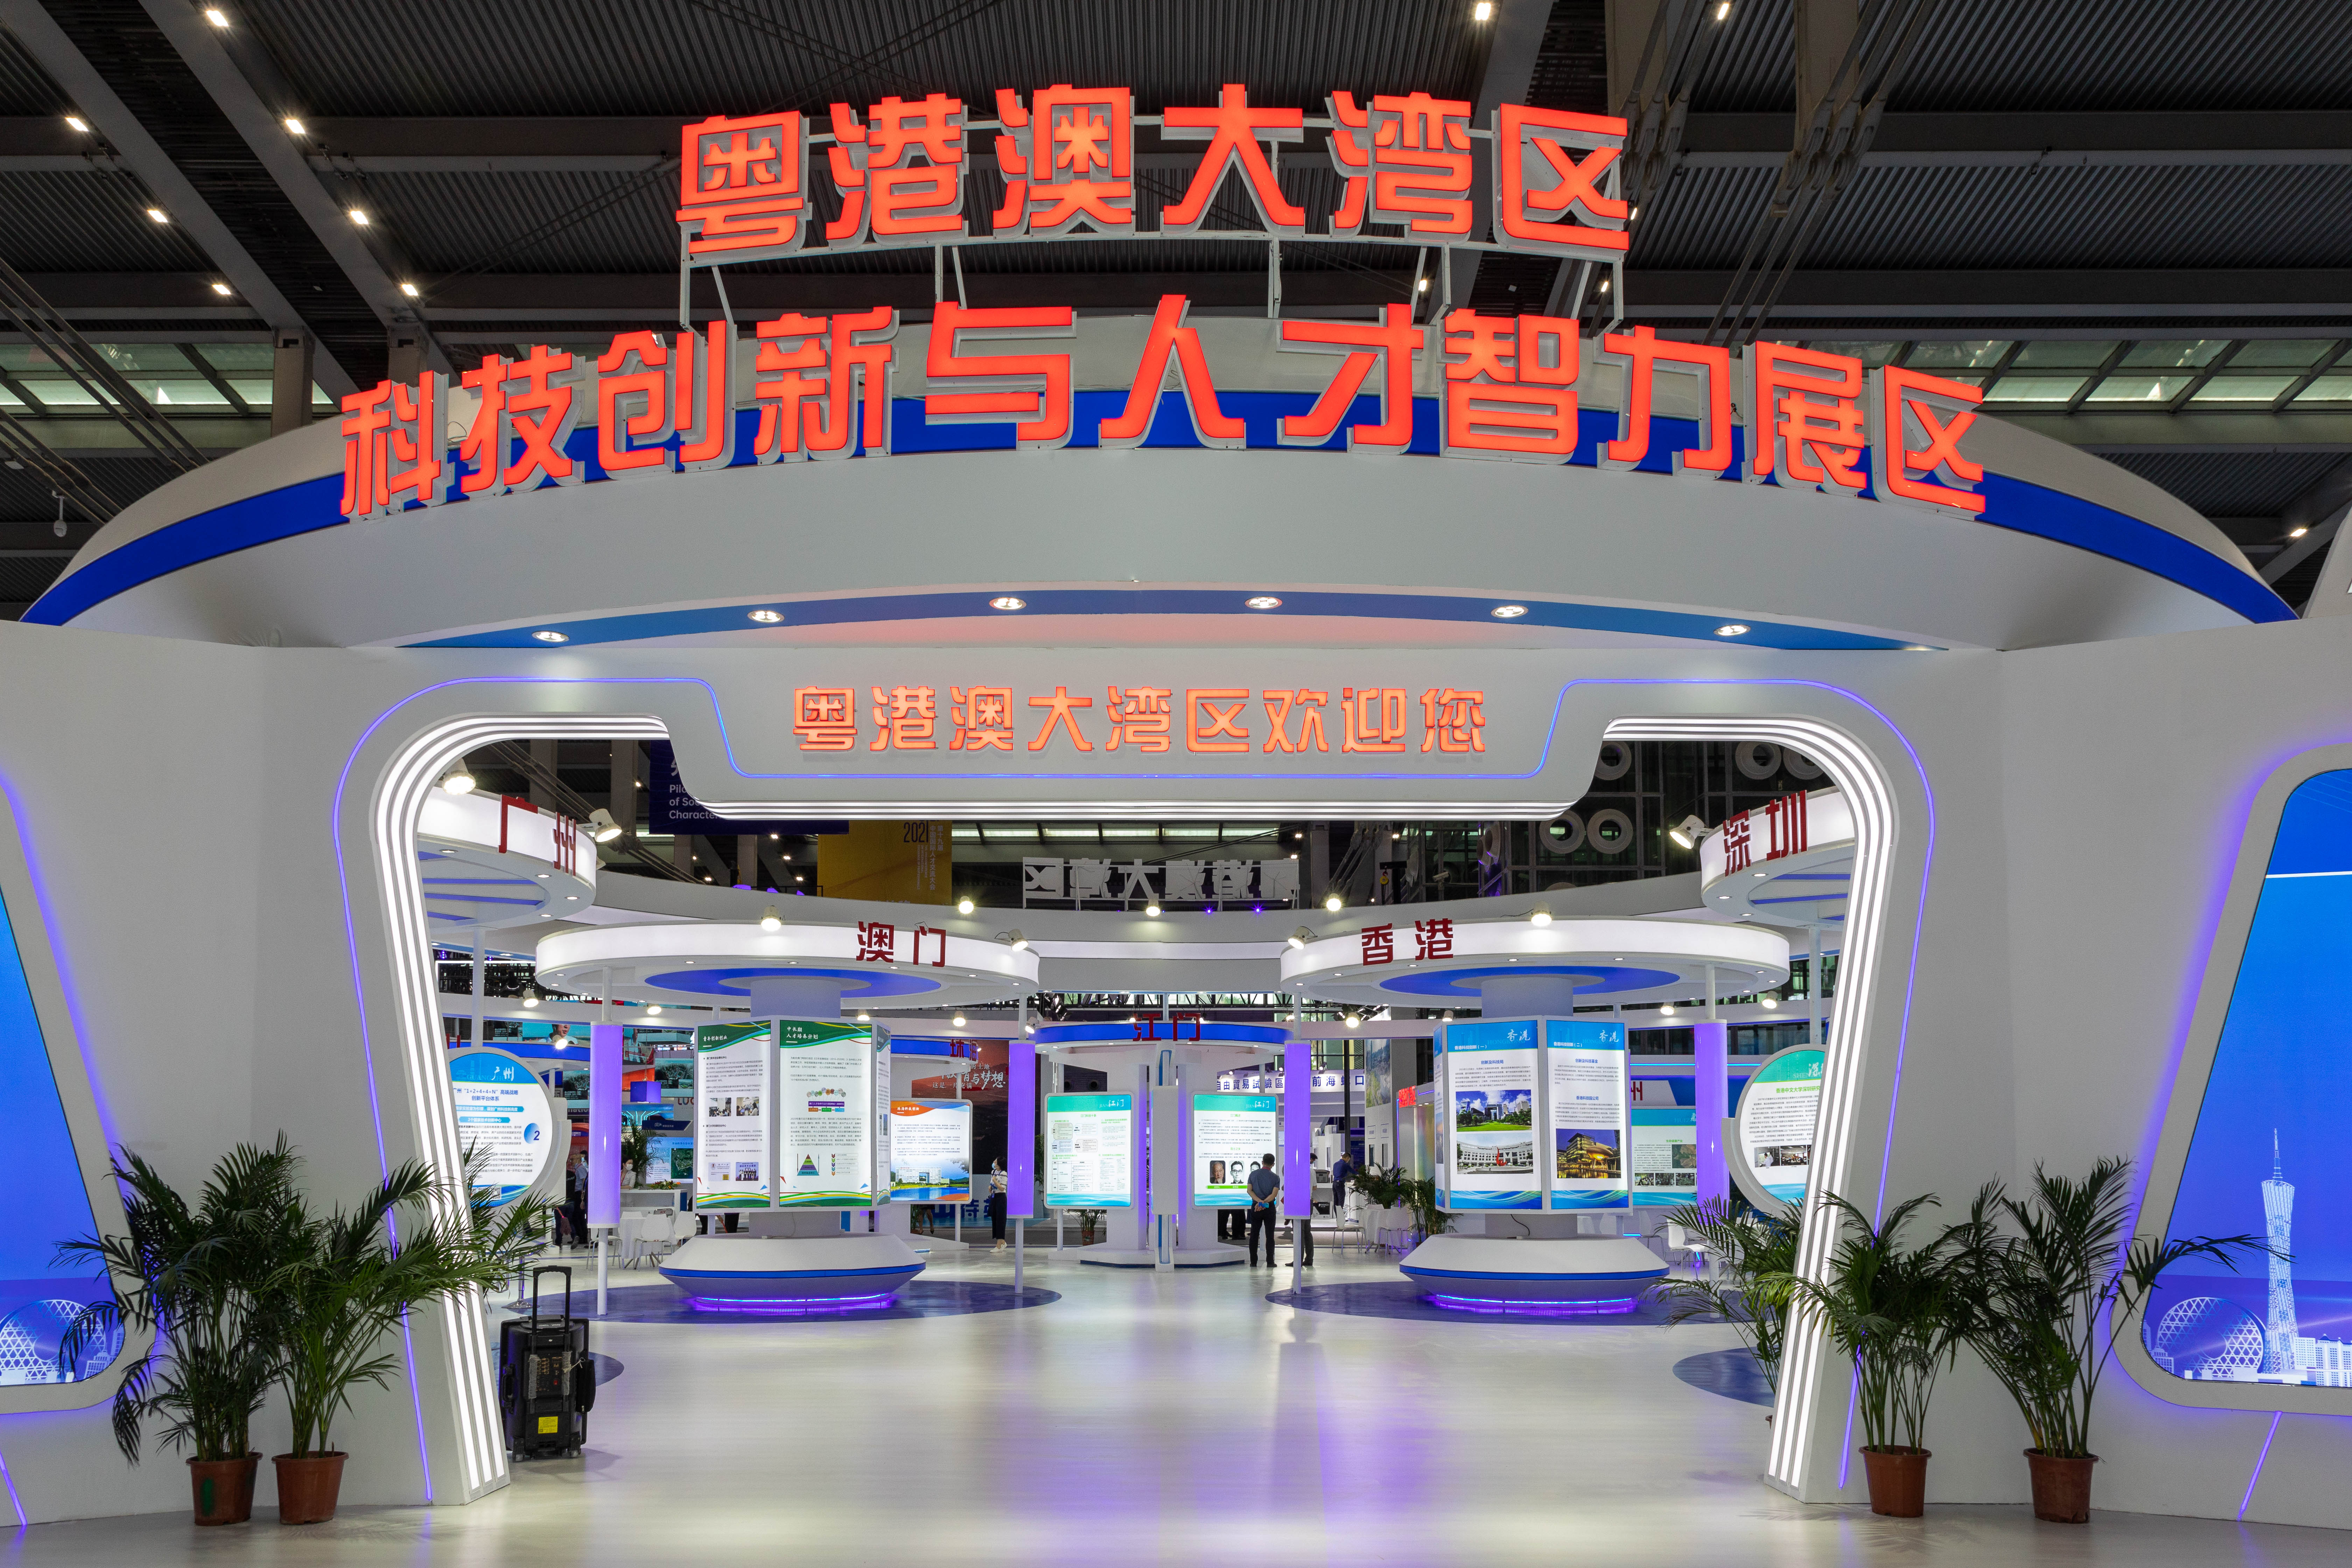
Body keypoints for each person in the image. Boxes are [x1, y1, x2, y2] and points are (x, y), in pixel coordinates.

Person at [988, 1160, 1009, 1250]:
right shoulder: (993, 1172)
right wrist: (990, 1187)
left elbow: (1002, 1188)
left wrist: (995, 1181)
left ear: (1000, 1164)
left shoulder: (1004, 1173)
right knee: (995, 1220)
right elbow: (992, 1184)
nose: (994, 1162)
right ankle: (1003, 1242)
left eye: (996, 1162)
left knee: (1001, 1221)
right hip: (994, 1197)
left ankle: (999, 1246)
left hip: (1001, 1198)